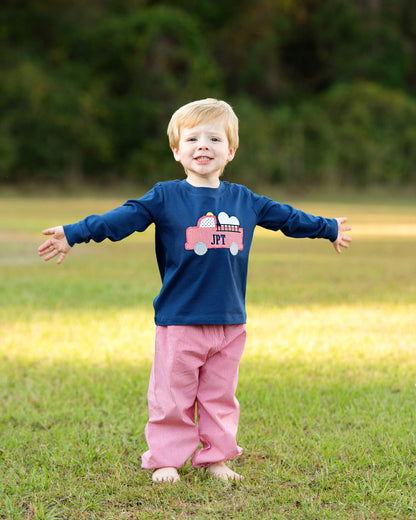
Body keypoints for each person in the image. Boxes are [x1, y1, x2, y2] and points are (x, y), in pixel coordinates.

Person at [38, 98, 352, 483]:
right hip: (180, 321)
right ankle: (167, 459)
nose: (203, 145)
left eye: (214, 138)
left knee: (220, 397)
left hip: (229, 322)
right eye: (192, 138)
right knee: (172, 397)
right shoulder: (165, 196)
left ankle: (217, 458)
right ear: (176, 150)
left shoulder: (245, 200)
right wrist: (74, 232)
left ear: (231, 150)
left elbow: (289, 218)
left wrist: (328, 227)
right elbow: (121, 219)